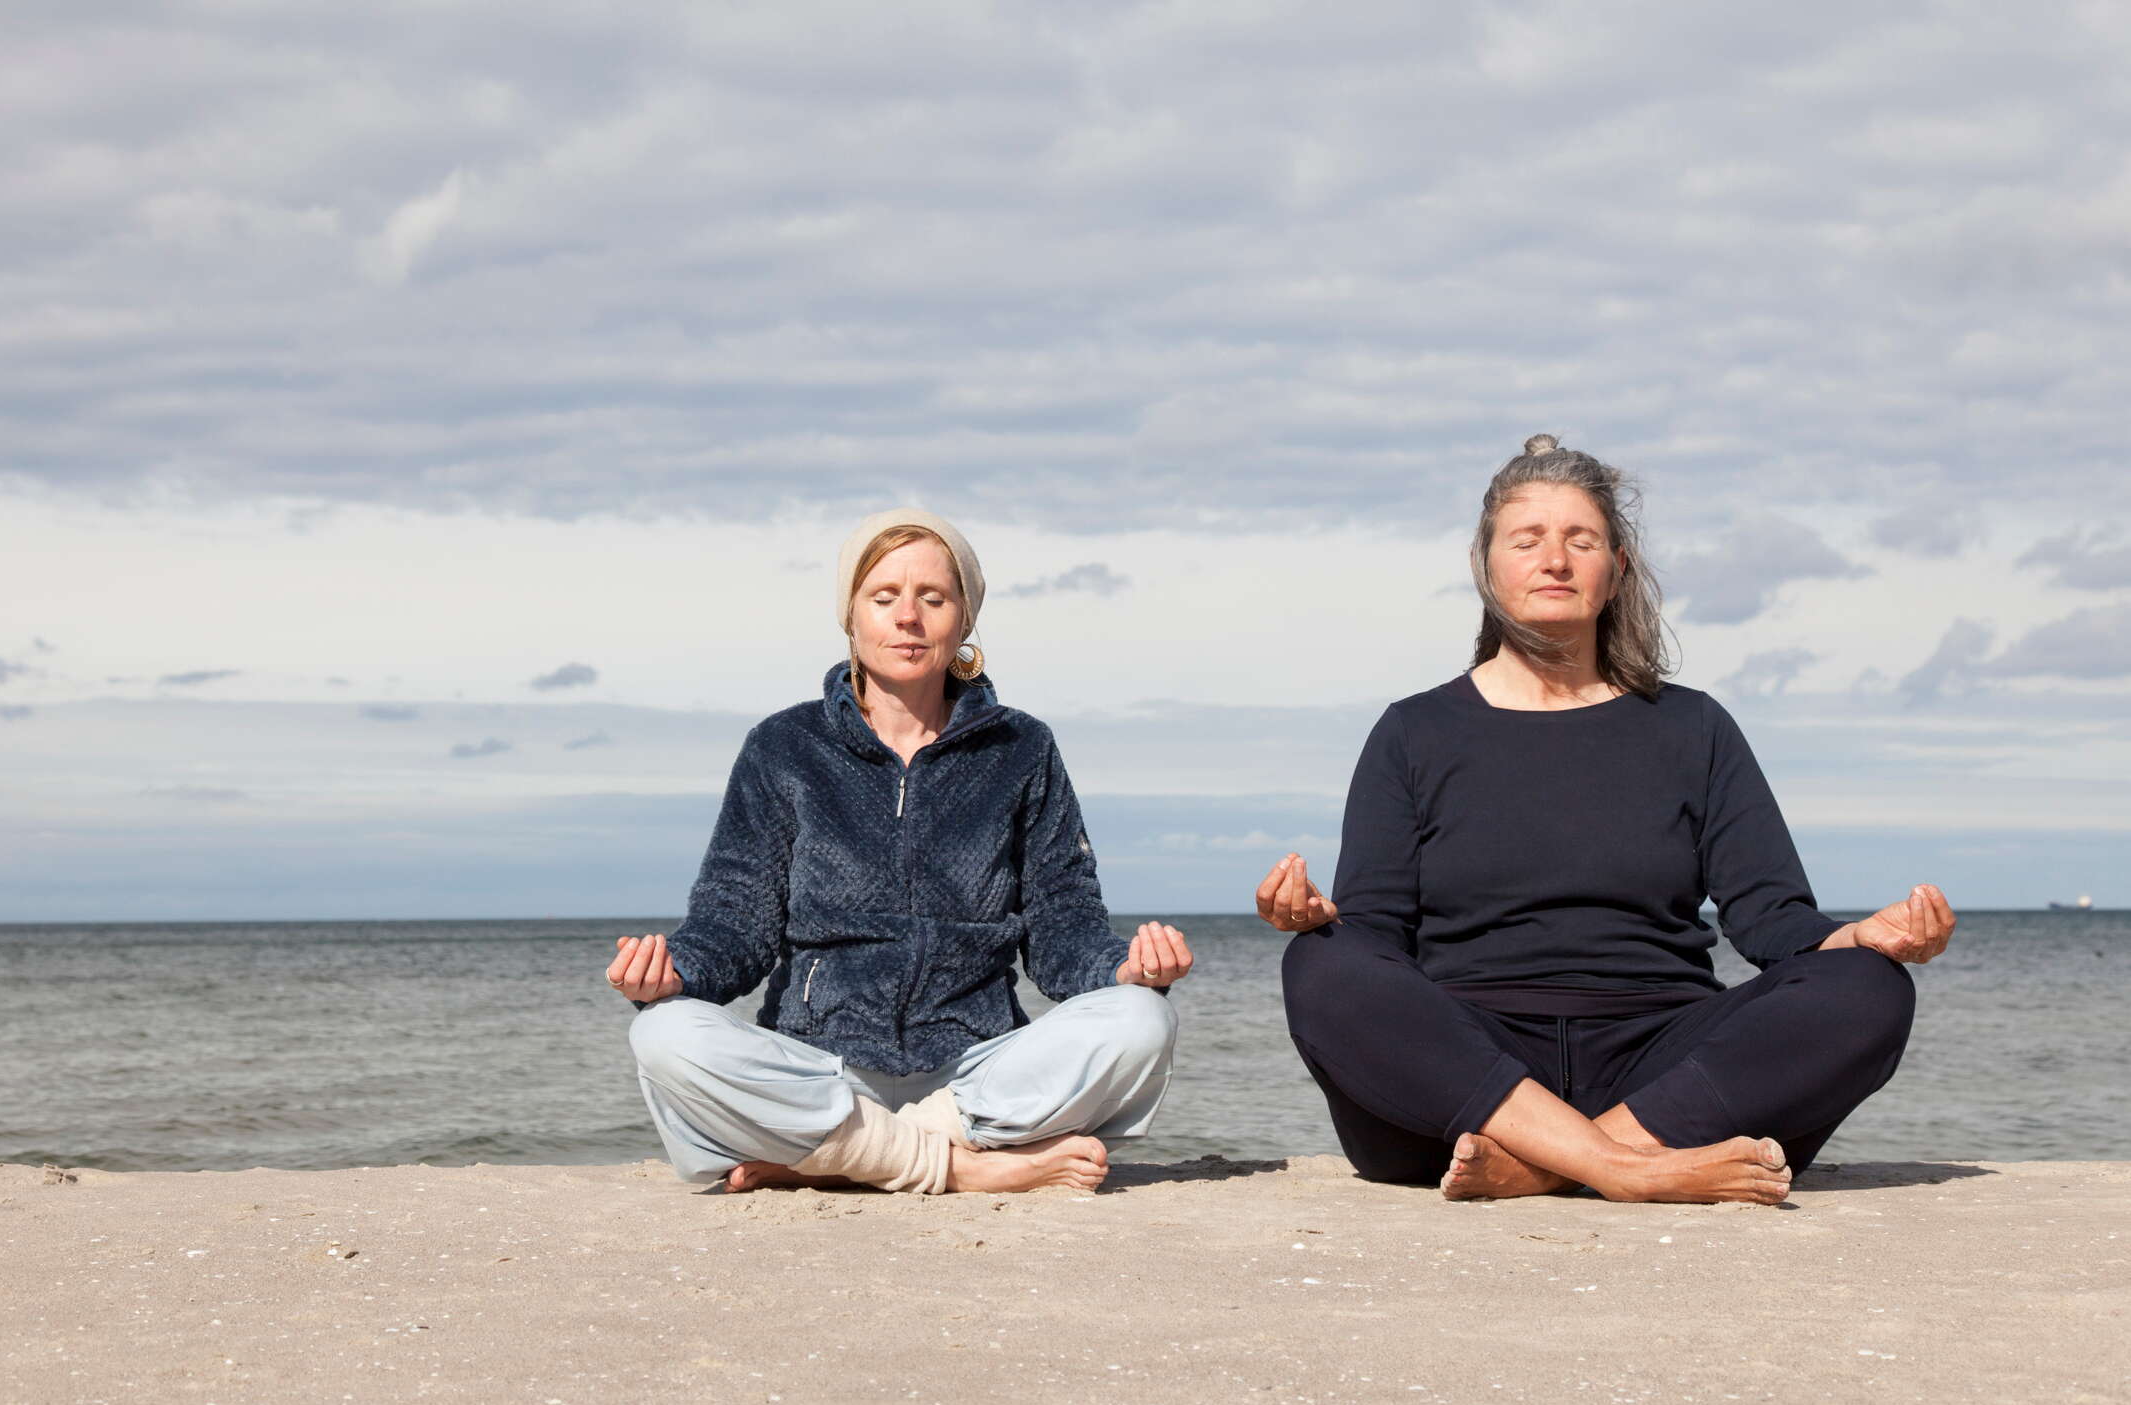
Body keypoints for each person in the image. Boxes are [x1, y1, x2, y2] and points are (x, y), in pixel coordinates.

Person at [1257, 435, 1955, 1204]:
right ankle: (1623, 1168)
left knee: (1869, 987)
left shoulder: (1691, 727)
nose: (1554, 560)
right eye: (1527, 539)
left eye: (1580, 540)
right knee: (1320, 962)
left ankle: (1551, 1165)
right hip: (1471, 1081)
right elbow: (1376, 936)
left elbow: (1772, 920)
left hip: (1661, 1073)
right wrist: (1319, 921)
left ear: (1615, 568)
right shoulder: (1412, 732)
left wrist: (1863, 938)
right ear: (1485, 565)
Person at [610, 508, 1192, 1195]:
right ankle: (957, 1168)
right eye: (883, 597)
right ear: (850, 616)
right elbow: (735, 922)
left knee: (1142, 1019)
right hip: (819, 1070)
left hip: (971, 1076)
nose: (907, 617)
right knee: (665, 1034)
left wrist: (1122, 968)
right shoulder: (783, 747)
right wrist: (674, 974)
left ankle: (839, 1159)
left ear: (964, 618)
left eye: (932, 598)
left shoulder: (1021, 748)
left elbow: (1062, 924)